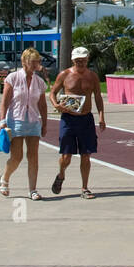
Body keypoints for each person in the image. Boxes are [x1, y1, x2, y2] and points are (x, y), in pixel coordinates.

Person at [48, 47, 106, 199]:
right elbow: (52, 92)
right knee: (66, 156)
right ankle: (61, 175)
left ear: (87, 60)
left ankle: (85, 187)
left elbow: (98, 97)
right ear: (73, 60)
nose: (81, 63)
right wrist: (56, 105)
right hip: (68, 119)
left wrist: (101, 116)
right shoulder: (65, 74)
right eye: (78, 60)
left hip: (86, 119)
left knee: (86, 155)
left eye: (84, 60)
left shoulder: (92, 76)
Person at [0, 48, 49, 200]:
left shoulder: (39, 82)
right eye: (33, 61)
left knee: (33, 156)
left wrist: (45, 123)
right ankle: (5, 178)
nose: (36, 64)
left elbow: (42, 104)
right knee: (17, 157)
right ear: (25, 62)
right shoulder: (13, 78)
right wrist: (2, 121)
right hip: (16, 120)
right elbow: (5, 102)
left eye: (38, 62)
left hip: (33, 121)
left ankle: (33, 190)